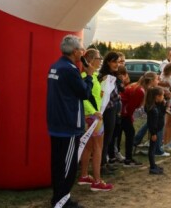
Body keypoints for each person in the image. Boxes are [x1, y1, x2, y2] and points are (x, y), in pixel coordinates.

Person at [47, 35, 95, 208]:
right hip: (67, 125)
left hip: (56, 123)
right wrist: (89, 76)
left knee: (59, 164)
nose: (82, 52)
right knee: (67, 167)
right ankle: (62, 201)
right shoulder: (69, 69)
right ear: (75, 52)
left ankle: (59, 198)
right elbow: (84, 93)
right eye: (81, 50)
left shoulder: (55, 66)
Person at [77, 49, 113, 192]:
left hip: (91, 116)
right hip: (93, 117)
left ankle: (84, 175)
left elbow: (94, 96)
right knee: (98, 148)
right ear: (90, 60)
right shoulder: (85, 76)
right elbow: (83, 97)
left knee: (89, 147)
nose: (101, 60)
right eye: (99, 57)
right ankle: (97, 181)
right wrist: (94, 112)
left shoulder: (91, 76)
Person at [120, 71, 157, 167]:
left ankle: (123, 157)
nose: (158, 81)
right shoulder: (139, 90)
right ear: (151, 81)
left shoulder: (139, 87)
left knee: (127, 133)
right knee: (130, 133)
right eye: (157, 79)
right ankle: (128, 159)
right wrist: (129, 117)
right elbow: (130, 107)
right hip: (122, 114)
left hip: (122, 113)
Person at [97, 52, 121, 174]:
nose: (117, 64)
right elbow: (109, 95)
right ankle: (101, 165)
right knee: (105, 138)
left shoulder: (112, 75)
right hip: (106, 110)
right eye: (114, 62)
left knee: (109, 138)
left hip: (112, 109)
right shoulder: (104, 76)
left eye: (118, 62)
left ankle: (104, 163)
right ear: (108, 62)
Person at [145, 87, 165, 175]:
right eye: (162, 96)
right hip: (154, 131)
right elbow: (152, 123)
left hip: (157, 130)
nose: (163, 97)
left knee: (154, 147)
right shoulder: (153, 109)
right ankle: (152, 167)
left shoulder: (158, 105)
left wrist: (163, 104)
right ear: (157, 96)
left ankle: (154, 165)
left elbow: (162, 114)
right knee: (152, 149)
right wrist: (153, 133)